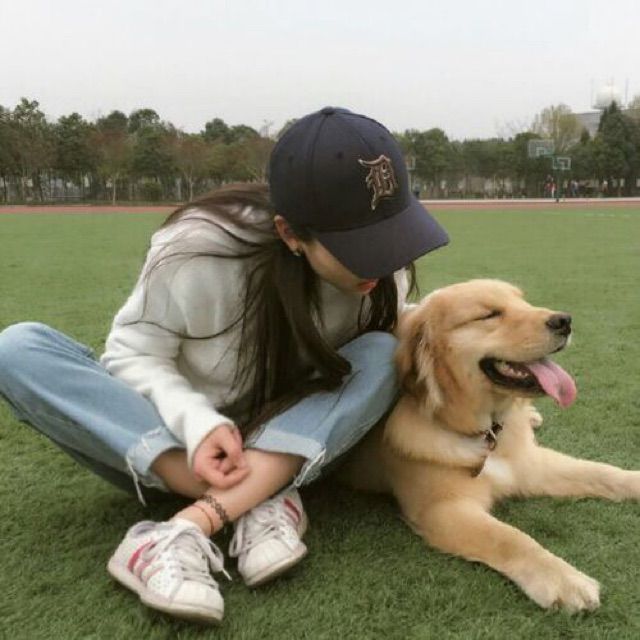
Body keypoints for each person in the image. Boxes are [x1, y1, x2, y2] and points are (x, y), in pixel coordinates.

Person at [0, 107, 449, 625]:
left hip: (294, 436)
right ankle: (261, 494)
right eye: (358, 246)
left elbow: (381, 352)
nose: (383, 261)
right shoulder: (199, 249)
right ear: (290, 233)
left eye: (391, 235)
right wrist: (197, 422)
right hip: (179, 444)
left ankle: (192, 523)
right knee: (17, 349)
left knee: (380, 355)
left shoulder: (383, 274)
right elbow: (131, 353)